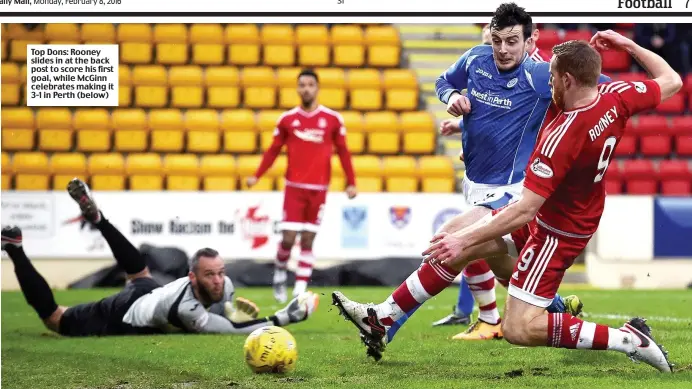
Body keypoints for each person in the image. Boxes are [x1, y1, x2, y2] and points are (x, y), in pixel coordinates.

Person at [332, 31, 681, 373]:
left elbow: (523, 210)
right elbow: (671, 80)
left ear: (569, 80)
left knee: (518, 327)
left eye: (554, 77)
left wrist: (463, 240)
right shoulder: (616, 95)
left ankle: (627, 339)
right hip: (562, 210)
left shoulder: (563, 136)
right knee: (467, 239)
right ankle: (384, 319)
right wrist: (628, 44)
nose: (550, 84)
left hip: (557, 231)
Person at [385, 3, 605, 350]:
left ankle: (390, 317)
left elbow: (585, 96)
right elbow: (449, 84)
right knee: (501, 265)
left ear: (530, 40)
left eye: (511, 41)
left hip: (514, 187)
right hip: (478, 178)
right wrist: (455, 102)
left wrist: (620, 100)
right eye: (497, 39)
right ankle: (558, 311)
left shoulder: (543, 74)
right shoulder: (477, 59)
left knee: (453, 239)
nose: (502, 48)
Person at [2, 178, 319, 337]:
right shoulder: (186, 310)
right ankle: (15, 248)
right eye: (211, 275)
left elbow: (225, 311)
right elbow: (230, 331)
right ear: (192, 277)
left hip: (150, 290)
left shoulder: (224, 284)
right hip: (125, 311)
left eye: (221, 272)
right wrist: (284, 317)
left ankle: (98, 219)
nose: (219, 279)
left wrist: (234, 307)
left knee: (139, 272)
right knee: (55, 318)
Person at [248, 68, 357, 303]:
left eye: (310, 84)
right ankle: (279, 273)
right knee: (288, 238)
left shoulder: (332, 119)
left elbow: (344, 152)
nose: (306, 88)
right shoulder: (288, 119)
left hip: (318, 190)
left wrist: (351, 182)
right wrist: (257, 175)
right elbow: (273, 150)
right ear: (297, 89)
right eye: (302, 85)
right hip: (294, 188)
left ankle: (298, 290)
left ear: (317, 88)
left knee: (307, 239)